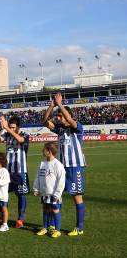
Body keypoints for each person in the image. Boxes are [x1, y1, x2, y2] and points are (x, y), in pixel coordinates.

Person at [43, 92, 86, 236]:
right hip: (62, 168)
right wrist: (51, 106)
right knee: (56, 194)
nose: (58, 117)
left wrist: (60, 105)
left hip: (75, 167)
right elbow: (45, 121)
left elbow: (69, 119)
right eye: (58, 115)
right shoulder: (60, 130)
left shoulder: (76, 127)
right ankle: (53, 225)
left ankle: (79, 228)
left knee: (76, 197)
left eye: (60, 115)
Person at [0, 115, 30, 228]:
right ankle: (2, 216)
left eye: (14, 127)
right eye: (10, 127)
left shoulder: (24, 134)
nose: (12, 129)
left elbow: (20, 140)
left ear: (18, 127)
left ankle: (20, 219)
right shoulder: (7, 135)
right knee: (2, 195)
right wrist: (2, 128)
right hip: (7, 172)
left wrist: (7, 129)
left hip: (20, 172)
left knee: (21, 195)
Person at [33, 143, 66, 239]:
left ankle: (58, 230)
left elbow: (61, 180)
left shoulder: (57, 165)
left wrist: (57, 193)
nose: (42, 151)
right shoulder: (42, 163)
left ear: (49, 151)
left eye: (44, 149)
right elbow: (38, 177)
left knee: (55, 210)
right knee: (45, 209)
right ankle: (45, 227)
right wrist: (36, 188)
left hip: (53, 193)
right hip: (44, 193)